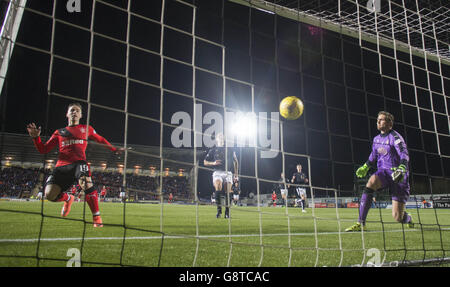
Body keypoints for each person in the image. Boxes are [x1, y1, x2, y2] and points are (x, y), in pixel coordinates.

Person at [26, 102, 120, 227]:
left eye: (77, 111)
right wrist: (36, 138)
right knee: (49, 194)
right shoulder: (59, 132)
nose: (74, 112)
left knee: (86, 182)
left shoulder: (86, 129)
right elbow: (43, 150)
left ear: (81, 115)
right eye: (71, 110)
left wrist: (114, 149)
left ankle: (96, 217)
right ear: (67, 114)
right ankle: (68, 198)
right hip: (61, 166)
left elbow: (101, 139)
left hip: (79, 163)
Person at [345, 111, 414, 232]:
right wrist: (366, 166)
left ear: (389, 123)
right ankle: (361, 223)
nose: (378, 121)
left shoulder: (395, 137)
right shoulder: (376, 139)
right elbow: (373, 155)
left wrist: (402, 167)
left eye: (381, 119)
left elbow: (404, 153)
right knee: (370, 182)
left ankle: (407, 218)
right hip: (383, 173)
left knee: (397, 217)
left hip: (398, 176)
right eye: (378, 119)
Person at [203, 133, 239, 219]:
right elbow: (205, 162)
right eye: (219, 136)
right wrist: (213, 163)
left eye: (222, 136)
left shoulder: (230, 149)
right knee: (218, 186)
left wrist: (236, 174)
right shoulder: (213, 150)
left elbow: (236, 161)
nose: (221, 137)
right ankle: (219, 211)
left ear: (224, 138)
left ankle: (227, 213)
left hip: (228, 172)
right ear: (216, 139)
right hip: (217, 172)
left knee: (228, 190)